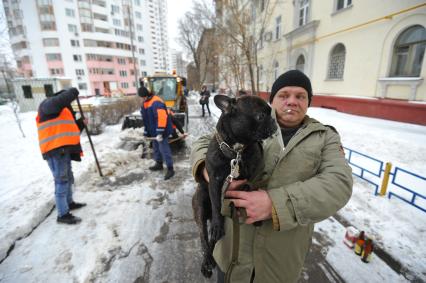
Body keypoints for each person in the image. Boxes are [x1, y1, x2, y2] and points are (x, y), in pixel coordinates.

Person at [190, 70, 353, 282]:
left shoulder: (325, 137)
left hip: (279, 262)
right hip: (232, 252)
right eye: (284, 95)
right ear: (272, 100)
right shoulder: (252, 123)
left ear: (308, 102)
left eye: (300, 96)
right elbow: (205, 141)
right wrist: (206, 169)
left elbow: (338, 184)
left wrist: (276, 204)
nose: (292, 101)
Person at [36, 88, 87, 225]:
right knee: (61, 181)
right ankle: (62, 214)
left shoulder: (63, 111)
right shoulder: (47, 105)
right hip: (54, 151)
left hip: (64, 151)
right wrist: (72, 91)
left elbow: (70, 130)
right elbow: (60, 100)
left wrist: (81, 123)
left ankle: (69, 203)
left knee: (68, 178)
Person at [139, 87, 175, 180]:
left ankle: (170, 169)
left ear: (146, 95)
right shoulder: (145, 104)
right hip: (154, 131)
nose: (142, 99)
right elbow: (146, 120)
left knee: (164, 149)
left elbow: (162, 117)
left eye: (143, 97)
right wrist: (146, 132)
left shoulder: (156, 102)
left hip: (161, 130)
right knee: (156, 148)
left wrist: (160, 132)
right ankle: (159, 164)